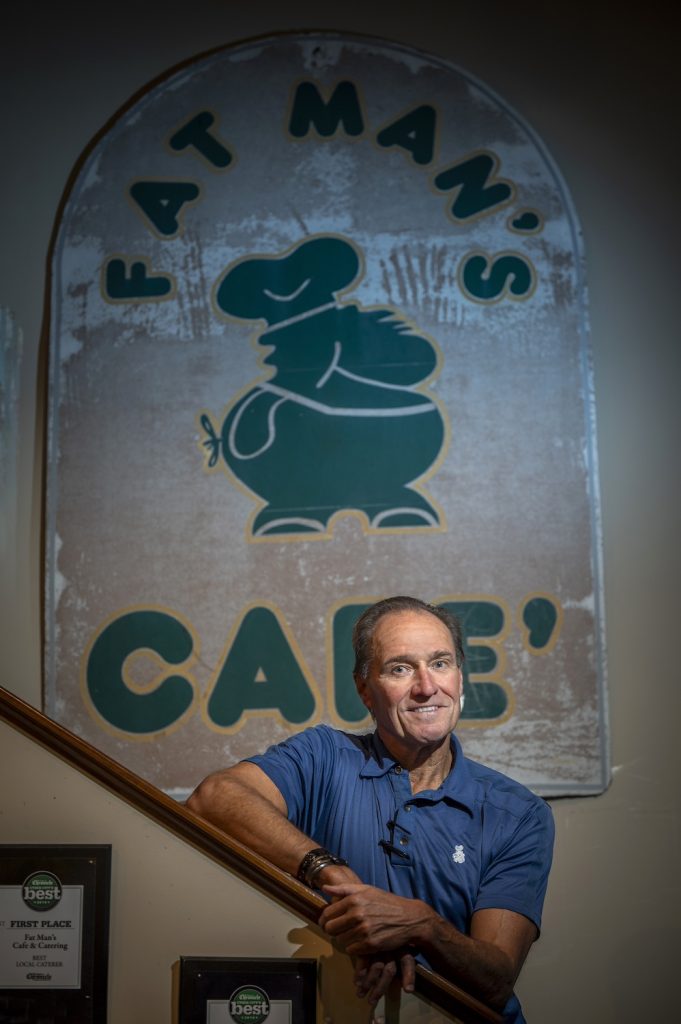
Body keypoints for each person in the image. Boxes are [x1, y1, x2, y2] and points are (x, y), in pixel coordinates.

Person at [187, 596, 554, 1022]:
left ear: (459, 676)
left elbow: (496, 981)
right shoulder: (323, 756)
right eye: (400, 668)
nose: (426, 686)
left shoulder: (518, 813)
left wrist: (421, 926)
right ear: (365, 689)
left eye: (440, 663)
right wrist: (334, 875)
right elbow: (213, 799)